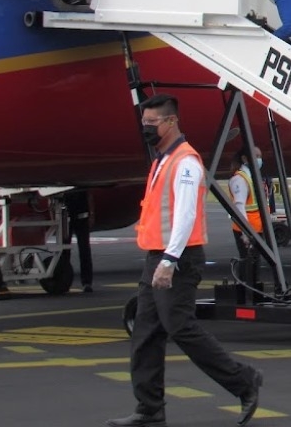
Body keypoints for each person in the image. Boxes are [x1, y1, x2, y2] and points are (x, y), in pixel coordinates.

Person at [107, 94, 262, 427]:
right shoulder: (163, 159)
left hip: (177, 258)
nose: (146, 128)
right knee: (146, 333)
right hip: (158, 256)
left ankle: (244, 380)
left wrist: (169, 260)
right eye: (144, 122)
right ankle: (149, 409)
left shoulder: (186, 162)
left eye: (152, 123)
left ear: (171, 121)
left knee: (182, 328)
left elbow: (186, 213)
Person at [228, 146, 265, 261]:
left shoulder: (252, 177)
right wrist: (246, 233)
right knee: (248, 264)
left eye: (260, 157)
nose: (259, 160)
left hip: (257, 228)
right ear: (244, 159)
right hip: (248, 229)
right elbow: (239, 207)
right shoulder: (240, 179)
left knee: (254, 264)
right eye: (256, 156)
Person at [63, 189, 94, 293]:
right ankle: (84, 282)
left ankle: (85, 282)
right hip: (72, 216)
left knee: (80, 249)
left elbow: (88, 195)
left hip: (77, 216)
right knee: (67, 250)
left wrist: (91, 213)